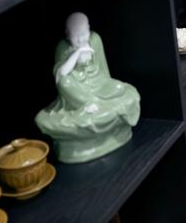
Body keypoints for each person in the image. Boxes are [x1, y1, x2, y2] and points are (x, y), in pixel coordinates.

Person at [35, 13, 141, 163]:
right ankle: (87, 104)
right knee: (65, 82)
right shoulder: (63, 47)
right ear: (67, 34)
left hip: (98, 84)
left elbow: (103, 71)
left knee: (120, 87)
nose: (81, 39)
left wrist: (107, 85)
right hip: (77, 90)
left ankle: (95, 104)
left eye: (84, 34)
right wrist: (76, 54)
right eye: (76, 36)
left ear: (89, 29)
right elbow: (61, 75)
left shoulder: (95, 39)